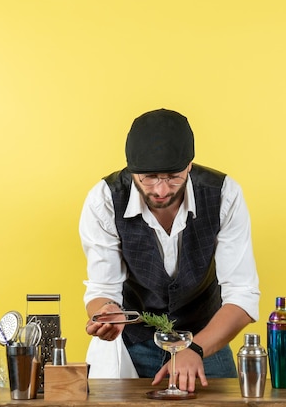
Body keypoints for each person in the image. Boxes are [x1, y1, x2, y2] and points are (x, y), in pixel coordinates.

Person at [80, 108, 260, 392]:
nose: (162, 190)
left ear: (189, 165)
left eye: (174, 176)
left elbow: (242, 293)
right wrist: (107, 312)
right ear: (131, 170)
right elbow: (103, 287)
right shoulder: (103, 200)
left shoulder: (224, 194)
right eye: (149, 177)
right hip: (135, 344)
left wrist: (196, 348)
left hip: (205, 340)